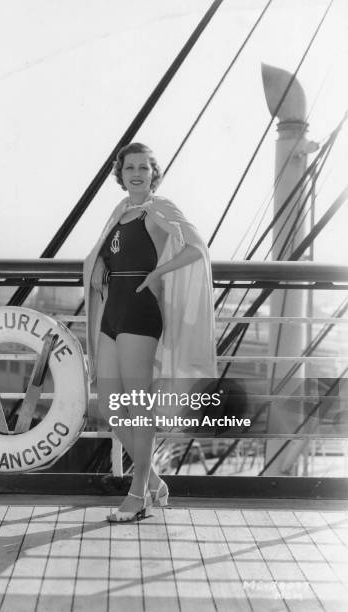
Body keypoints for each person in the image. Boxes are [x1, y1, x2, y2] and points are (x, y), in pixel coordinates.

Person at [83, 142, 216, 522]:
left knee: (139, 409)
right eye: (130, 168)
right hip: (112, 312)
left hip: (140, 312)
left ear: (154, 173)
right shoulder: (121, 211)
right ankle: (155, 482)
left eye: (144, 167)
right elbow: (105, 257)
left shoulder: (161, 209)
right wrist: (96, 270)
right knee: (111, 405)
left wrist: (158, 273)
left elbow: (197, 249)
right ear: (120, 175)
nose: (137, 173)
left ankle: (137, 494)